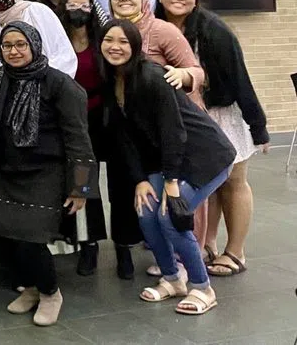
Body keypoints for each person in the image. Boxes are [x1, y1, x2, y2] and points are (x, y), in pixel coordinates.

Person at [101, 20, 235, 316]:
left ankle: (202, 287)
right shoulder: (112, 80)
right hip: (165, 160)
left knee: (170, 218)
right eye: (109, 40)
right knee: (147, 214)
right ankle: (173, 279)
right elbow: (124, 138)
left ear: (135, 46)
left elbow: (173, 131)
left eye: (123, 41)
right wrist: (139, 180)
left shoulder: (151, 76)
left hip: (204, 156)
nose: (115, 46)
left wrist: (171, 182)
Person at [0, 22, 97, 327]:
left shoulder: (60, 84)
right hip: (3, 172)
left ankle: (50, 293)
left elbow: (78, 138)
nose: (13, 51)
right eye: (7, 46)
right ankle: (29, 287)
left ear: (34, 45)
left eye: (20, 45)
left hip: (45, 173)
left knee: (30, 240)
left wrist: (79, 187)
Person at [155, 0, 270, 279]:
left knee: (233, 182)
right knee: (207, 186)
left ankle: (235, 252)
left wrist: (258, 126)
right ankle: (208, 243)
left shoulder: (214, 30)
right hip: (186, 117)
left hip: (221, 113)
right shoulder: (156, 26)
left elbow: (240, 78)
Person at [59, 0, 128, 277]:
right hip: (75, 123)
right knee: (83, 184)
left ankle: (123, 246)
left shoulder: (103, 40)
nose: (78, 10)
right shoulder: (58, 41)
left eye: (84, 5)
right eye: (72, 5)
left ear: (92, 9)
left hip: (106, 118)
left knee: (119, 185)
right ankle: (88, 245)